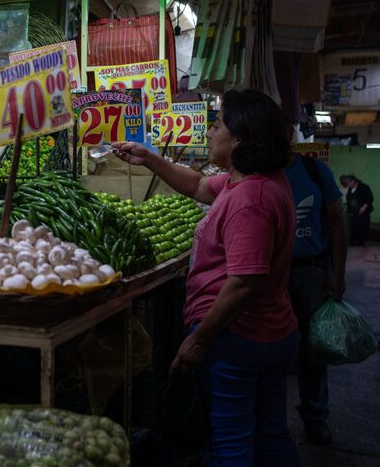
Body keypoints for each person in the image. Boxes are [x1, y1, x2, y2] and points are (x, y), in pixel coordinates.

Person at [113, 90, 300, 465]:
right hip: (267, 333)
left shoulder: (252, 199)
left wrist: (198, 340)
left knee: (231, 444)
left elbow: (244, 283)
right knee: (269, 433)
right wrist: (149, 157)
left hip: (240, 337)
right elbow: (197, 186)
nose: (210, 133)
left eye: (217, 125)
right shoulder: (248, 182)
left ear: (239, 139)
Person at [285, 146, 348, 445]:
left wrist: (337, 273)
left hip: (311, 271)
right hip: (270, 275)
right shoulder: (258, 170)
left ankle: (315, 416)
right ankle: (267, 421)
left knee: (314, 349)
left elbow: (336, 222)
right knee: (271, 346)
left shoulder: (313, 171)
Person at [343, 175, 373, 246]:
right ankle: (354, 243)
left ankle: (361, 243)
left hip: (363, 211)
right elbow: (350, 200)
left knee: (361, 227)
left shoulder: (364, 187)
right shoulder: (350, 189)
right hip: (355, 211)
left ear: (353, 181)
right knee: (354, 226)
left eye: (348, 183)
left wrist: (364, 207)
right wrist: (347, 206)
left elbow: (369, 198)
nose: (347, 185)